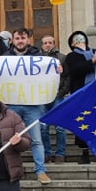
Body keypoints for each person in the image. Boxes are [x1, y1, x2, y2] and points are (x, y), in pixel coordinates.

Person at [0, 28, 51, 184]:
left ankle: (41, 171)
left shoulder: (38, 57)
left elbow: (47, 75)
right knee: (8, 139)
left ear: (28, 40)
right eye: (17, 38)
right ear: (12, 40)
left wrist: (57, 70)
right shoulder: (4, 58)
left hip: (33, 105)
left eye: (23, 38)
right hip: (12, 104)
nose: (20, 40)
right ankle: (9, 169)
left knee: (36, 139)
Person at [64, 30, 96, 164]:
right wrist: (92, 61)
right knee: (83, 123)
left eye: (81, 37)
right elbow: (76, 70)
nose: (79, 39)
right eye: (76, 39)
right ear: (72, 43)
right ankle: (84, 151)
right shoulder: (72, 56)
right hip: (82, 94)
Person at [39, 34, 69, 163]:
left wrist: (62, 92)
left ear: (54, 44)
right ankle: (46, 153)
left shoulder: (62, 58)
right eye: (45, 43)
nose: (47, 45)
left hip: (57, 96)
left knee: (60, 127)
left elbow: (68, 77)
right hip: (42, 97)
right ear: (41, 45)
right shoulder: (37, 59)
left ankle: (60, 154)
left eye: (50, 42)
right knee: (43, 127)